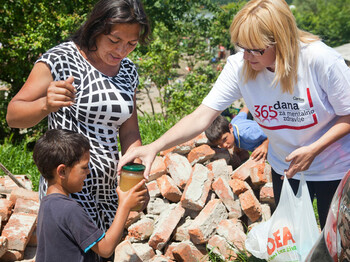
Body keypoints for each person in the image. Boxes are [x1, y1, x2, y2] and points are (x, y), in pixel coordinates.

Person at [118, 0, 350, 230]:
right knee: (292, 241)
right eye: (242, 48)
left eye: (255, 50)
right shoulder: (240, 67)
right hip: (287, 169)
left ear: (281, 40)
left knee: (337, 243)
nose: (247, 57)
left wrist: (314, 149)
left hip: (336, 168)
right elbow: (201, 116)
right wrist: (154, 146)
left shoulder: (320, 60)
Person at [6, 0, 150, 233]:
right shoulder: (61, 60)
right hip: (68, 189)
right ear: (95, 29)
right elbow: (13, 115)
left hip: (110, 190)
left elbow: (129, 130)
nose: (122, 51)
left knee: (105, 253)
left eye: (131, 43)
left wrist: (135, 175)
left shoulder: (128, 70)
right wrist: (45, 105)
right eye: (114, 41)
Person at [33, 129, 148, 262]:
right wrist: (125, 205)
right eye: (84, 167)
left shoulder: (47, 203)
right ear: (62, 171)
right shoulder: (70, 209)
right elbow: (105, 249)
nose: (88, 172)